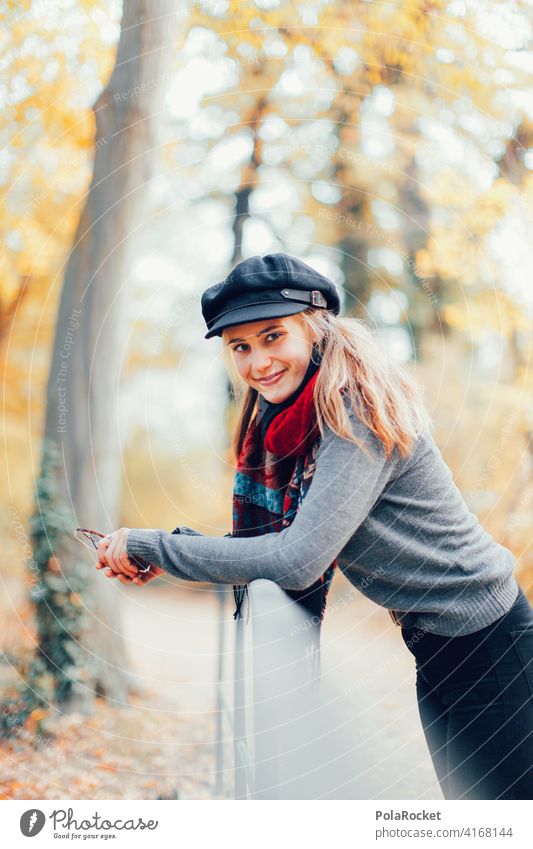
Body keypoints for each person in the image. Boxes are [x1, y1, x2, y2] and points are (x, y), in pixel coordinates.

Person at [96, 252, 533, 800]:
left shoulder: (355, 411)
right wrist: (170, 551)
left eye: (272, 336)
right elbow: (284, 540)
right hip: (441, 646)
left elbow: (295, 558)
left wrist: (153, 545)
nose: (258, 362)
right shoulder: (295, 424)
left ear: (315, 327)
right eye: (241, 347)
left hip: (490, 645)